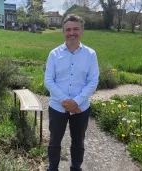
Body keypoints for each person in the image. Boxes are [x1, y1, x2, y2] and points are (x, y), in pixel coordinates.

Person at [44, 14, 99, 171]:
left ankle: (76, 168)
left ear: (82, 31)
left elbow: (93, 81)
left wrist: (76, 102)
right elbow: (49, 80)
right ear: (63, 32)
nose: (71, 33)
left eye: (75, 29)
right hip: (57, 107)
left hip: (81, 108)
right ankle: (52, 168)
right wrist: (67, 102)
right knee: (54, 141)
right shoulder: (54, 54)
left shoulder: (90, 54)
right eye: (68, 29)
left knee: (78, 142)